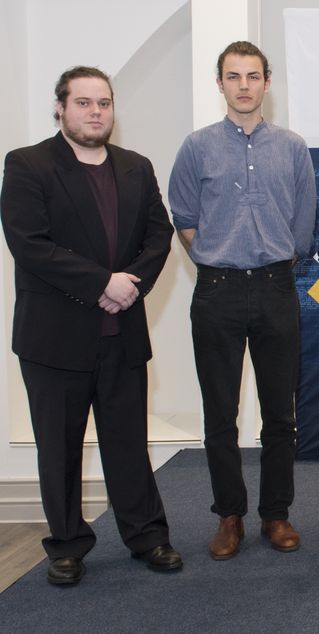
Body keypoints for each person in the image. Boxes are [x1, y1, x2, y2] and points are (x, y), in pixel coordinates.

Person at [0, 66, 181, 585]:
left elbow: (159, 235)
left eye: (103, 102)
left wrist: (130, 286)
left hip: (122, 335)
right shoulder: (28, 164)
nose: (95, 112)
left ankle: (147, 537)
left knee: (129, 444)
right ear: (60, 107)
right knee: (59, 449)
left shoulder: (136, 166)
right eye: (83, 103)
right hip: (54, 341)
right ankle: (66, 546)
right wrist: (104, 283)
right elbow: (30, 244)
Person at [168, 41, 317, 559]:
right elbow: (184, 218)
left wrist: (274, 262)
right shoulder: (197, 147)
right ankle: (229, 516)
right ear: (220, 83)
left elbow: (303, 225)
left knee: (280, 413)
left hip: (276, 287)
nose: (244, 85)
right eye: (233, 76)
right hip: (218, 291)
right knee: (219, 414)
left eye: (253, 76)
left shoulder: (292, 147)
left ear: (267, 83)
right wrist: (217, 258)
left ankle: (276, 514)